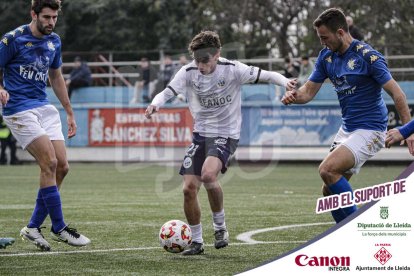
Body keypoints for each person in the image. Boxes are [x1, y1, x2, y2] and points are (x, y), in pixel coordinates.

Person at [145, 30, 296, 255]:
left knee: (208, 175)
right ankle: (196, 242)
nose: (201, 66)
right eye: (197, 61)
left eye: (205, 61)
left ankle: (220, 227)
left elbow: (268, 75)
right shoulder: (188, 71)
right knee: (188, 189)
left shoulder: (233, 69)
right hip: (201, 134)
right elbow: (167, 92)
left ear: (217, 55)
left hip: (226, 133)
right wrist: (155, 104)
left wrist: (286, 83)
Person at [281, 8, 410, 223]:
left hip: (371, 129)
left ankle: (358, 231)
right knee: (329, 192)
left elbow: (398, 94)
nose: (322, 43)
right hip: (348, 129)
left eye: (325, 38)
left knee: (327, 170)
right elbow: (308, 92)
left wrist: (408, 132)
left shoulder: (367, 57)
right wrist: (293, 96)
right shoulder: (326, 57)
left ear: (340, 32)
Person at [0, 0, 90, 251]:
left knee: (62, 166)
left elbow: (56, 75)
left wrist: (69, 112)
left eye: (54, 18)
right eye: (47, 17)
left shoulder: (55, 41)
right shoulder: (12, 39)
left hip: (45, 108)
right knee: (49, 162)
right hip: (19, 108)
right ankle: (59, 227)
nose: (51, 22)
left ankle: (32, 227)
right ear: (34, 14)